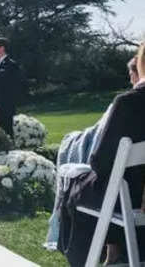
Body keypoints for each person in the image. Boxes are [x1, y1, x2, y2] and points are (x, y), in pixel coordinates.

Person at [59, 45, 145, 265]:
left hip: (128, 199)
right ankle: (118, 254)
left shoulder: (128, 103)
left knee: (74, 188)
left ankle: (80, 260)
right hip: (134, 196)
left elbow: (99, 161)